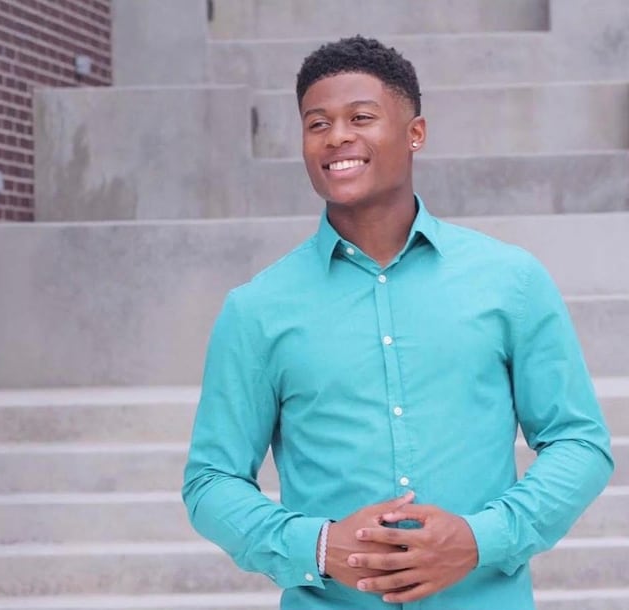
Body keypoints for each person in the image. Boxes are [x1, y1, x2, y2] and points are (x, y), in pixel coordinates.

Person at [181, 36, 613, 609]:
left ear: (415, 133)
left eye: (361, 117)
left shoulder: (510, 281)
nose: (337, 137)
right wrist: (317, 546)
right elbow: (211, 481)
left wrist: (479, 539)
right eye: (317, 123)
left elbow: (579, 443)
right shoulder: (257, 309)